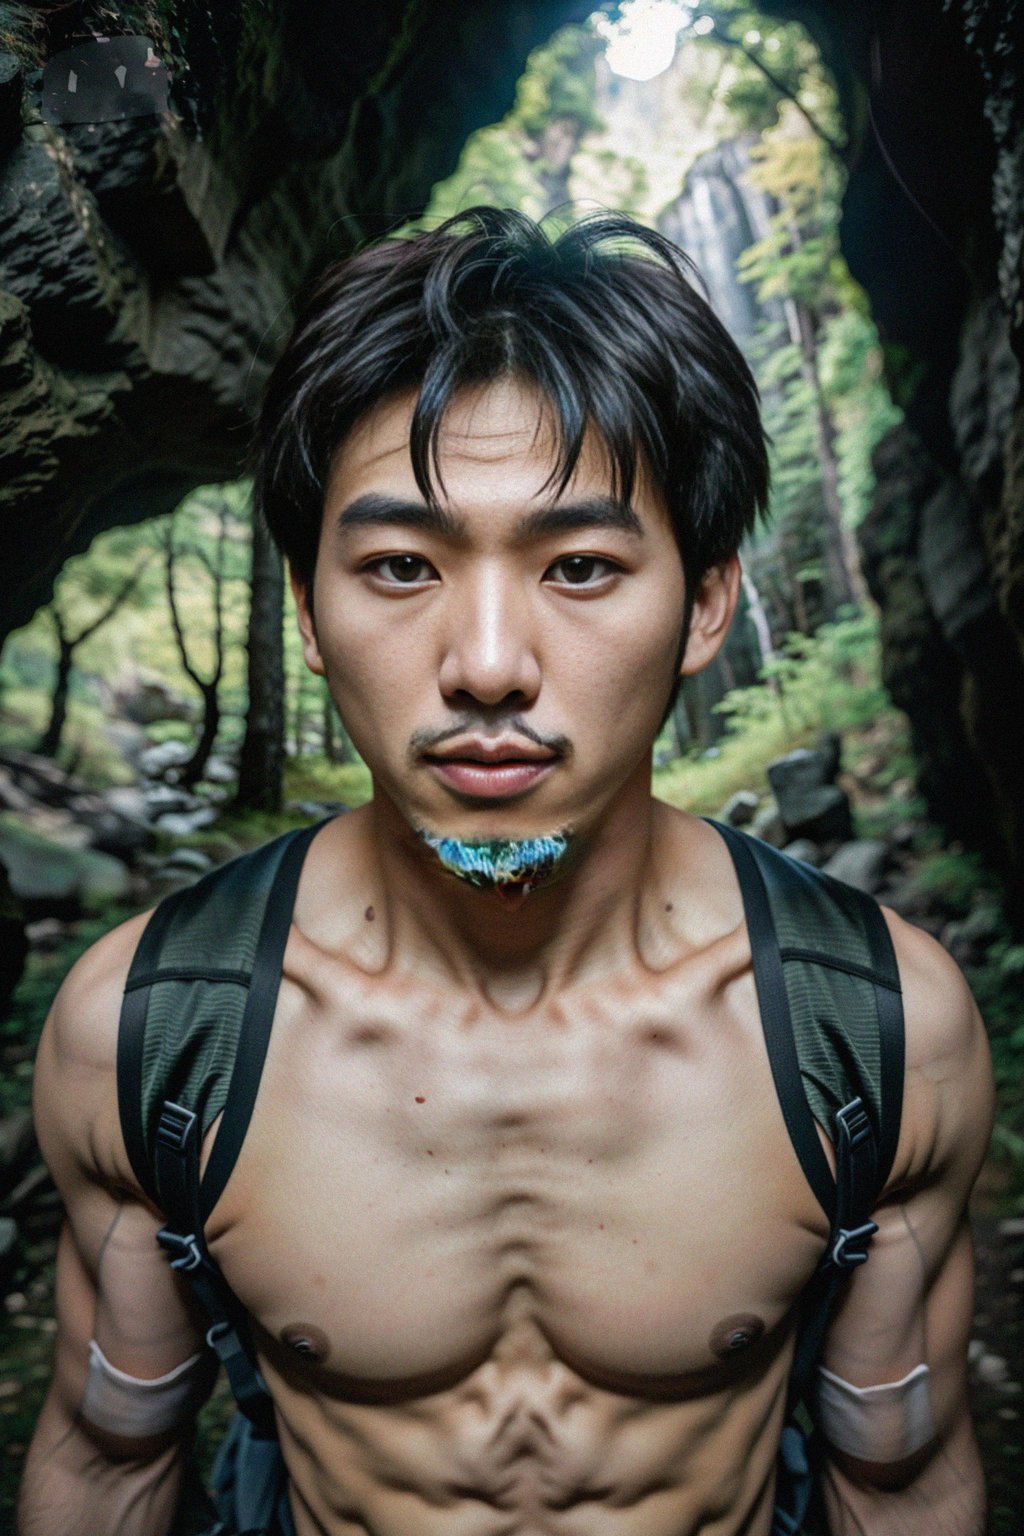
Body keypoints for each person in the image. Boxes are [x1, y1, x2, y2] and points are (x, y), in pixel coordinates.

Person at [19, 206, 993, 1536]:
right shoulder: (152, 1034)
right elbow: (104, 1462)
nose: (486, 663)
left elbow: (905, 1477)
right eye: (402, 565)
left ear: (708, 600)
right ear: (309, 607)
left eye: (581, 565)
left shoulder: (877, 1033)